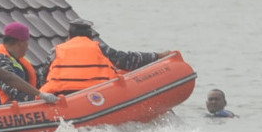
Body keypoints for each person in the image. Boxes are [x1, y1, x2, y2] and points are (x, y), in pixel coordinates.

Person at [40, 18, 171, 95]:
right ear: (91, 37)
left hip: (61, 95)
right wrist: (157, 56)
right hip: (96, 94)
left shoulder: (56, 51)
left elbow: (43, 76)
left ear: (69, 36)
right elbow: (127, 60)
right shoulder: (100, 48)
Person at [0, 22, 39, 105]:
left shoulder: (17, 60)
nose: (27, 47)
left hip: (17, 108)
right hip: (1, 110)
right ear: (21, 43)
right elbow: (12, 89)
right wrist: (39, 97)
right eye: (27, 42)